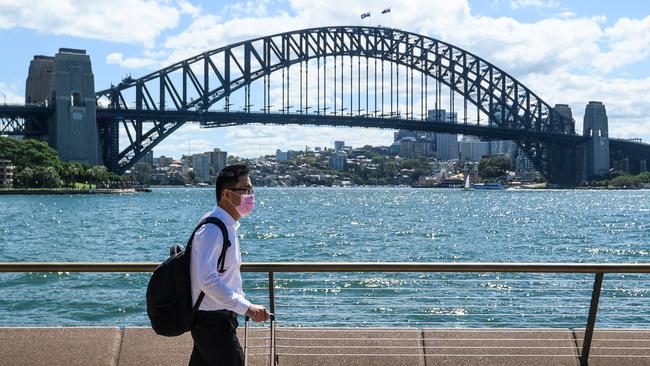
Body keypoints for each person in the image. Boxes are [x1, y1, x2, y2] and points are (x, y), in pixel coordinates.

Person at [189, 164, 270, 366]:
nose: (250, 196)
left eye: (251, 190)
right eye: (246, 190)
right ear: (226, 194)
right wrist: (247, 308)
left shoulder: (224, 225)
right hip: (213, 323)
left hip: (215, 320)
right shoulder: (213, 229)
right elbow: (206, 279)